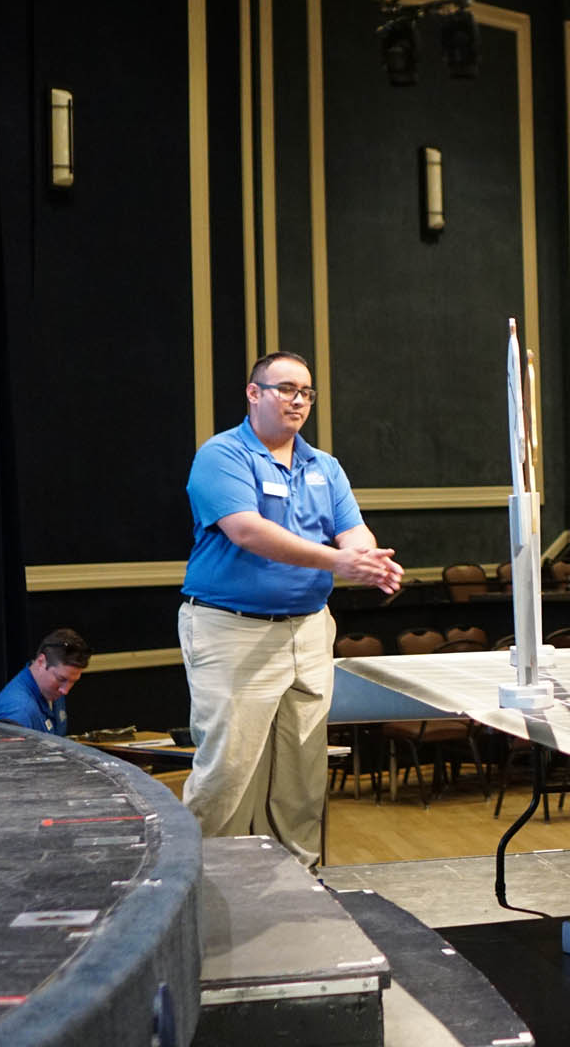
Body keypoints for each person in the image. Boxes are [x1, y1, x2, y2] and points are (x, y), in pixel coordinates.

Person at [179, 351, 402, 869]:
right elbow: (249, 532)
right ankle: (209, 881)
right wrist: (341, 560)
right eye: (285, 389)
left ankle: (299, 876)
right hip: (232, 630)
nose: (298, 400)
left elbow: (353, 530)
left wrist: (368, 559)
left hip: (308, 631)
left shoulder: (324, 466)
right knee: (229, 770)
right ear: (254, 394)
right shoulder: (223, 455)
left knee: (302, 770)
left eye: (306, 392)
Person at [0, 628, 92, 735]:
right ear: (41, 662)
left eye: (73, 681)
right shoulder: (17, 711)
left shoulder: (52, 691)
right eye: (61, 679)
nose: (65, 690)